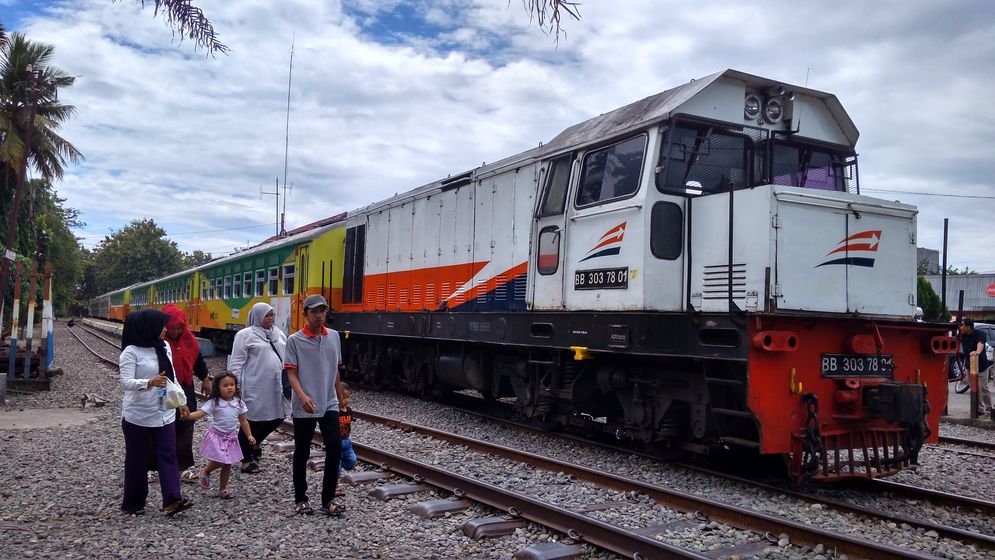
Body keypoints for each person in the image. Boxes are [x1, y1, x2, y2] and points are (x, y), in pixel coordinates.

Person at [118, 309, 193, 516]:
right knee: (136, 458)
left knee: (168, 455)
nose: (165, 330)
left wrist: (181, 402)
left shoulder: (164, 347)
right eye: (161, 326)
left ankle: (172, 500)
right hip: (137, 415)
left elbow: (172, 377)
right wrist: (148, 382)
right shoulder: (131, 352)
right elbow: (125, 382)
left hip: (164, 413)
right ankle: (134, 502)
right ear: (147, 328)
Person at [285, 294, 346, 516]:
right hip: (305, 405)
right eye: (314, 312)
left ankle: (327, 499)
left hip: (328, 401)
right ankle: (300, 498)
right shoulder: (294, 340)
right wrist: (301, 396)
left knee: (335, 447)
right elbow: (291, 373)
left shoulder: (334, 337)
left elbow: (335, 369)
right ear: (305, 315)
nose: (319, 316)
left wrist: (340, 397)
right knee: (302, 451)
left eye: (322, 311)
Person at [229, 302, 289, 474]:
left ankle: (253, 443)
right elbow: (237, 362)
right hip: (254, 385)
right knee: (251, 420)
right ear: (257, 316)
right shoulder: (244, 335)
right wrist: (236, 386)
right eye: (266, 315)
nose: (270, 318)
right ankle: (246, 460)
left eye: (271, 315)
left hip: (275, 385)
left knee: (277, 416)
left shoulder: (277, 333)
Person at [181, 372, 255, 498]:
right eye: (225, 385)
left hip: (231, 438)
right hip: (217, 436)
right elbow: (200, 413)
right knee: (221, 461)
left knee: (227, 464)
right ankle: (206, 470)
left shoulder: (239, 403)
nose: (230, 387)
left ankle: (223, 489)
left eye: (232, 384)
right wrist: (188, 416)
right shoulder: (214, 402)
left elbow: (243, 420)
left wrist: (249, 435)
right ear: (218, 388)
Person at [162, 304, 212, 483]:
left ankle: (183, 466)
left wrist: (205, 379)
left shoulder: (189, 339)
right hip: (164, 390)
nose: (176, 332)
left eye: (179, 328)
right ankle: (152, 466)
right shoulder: (160, 340)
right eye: (172, 328)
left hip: (185, 388)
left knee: (186, 425)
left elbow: (197, 360)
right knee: (161, 427)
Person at [959, 318, 992, 416]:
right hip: (969, 365)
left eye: (962, 325)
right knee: (974, 388)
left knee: (983, 387)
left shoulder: (979, 333)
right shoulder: (962, 335)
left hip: (981, 365)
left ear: (968, 327)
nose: (961, 327)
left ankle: (989, 409)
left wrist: (977, 352)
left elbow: (980, 343)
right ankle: (979, 409)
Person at [336, 383, 356, 495]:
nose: (347, 400)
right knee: (336, 467)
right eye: (344, 398)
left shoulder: (349, 410)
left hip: (347, 441)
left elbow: (349, 423)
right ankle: (334, 485)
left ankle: (335, 466)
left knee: (351, 462)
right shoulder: (335, 412)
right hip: (337, 442)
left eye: (348, 397)